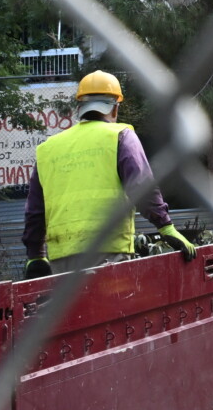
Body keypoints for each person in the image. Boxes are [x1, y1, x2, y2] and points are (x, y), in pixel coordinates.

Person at [22, 71, 197, 276]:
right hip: (108, 251)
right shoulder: (121, 136)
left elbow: (35, 211)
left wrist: (35, 255)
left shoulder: (48, 149)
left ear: (80, 108)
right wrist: (165, 226)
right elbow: (141, 185)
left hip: (62, 258)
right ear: (115, 108)